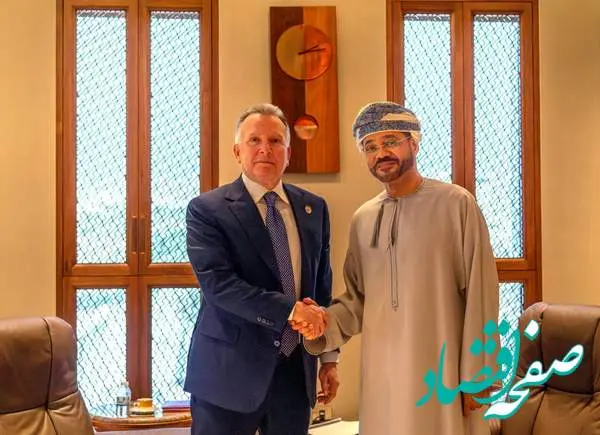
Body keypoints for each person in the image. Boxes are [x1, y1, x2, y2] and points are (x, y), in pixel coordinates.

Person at [297, 101, 500, 435]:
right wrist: (322, 323)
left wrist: (478, 375)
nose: (381, 153)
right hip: (382, 379)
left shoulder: (456, 204)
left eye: (390, 141)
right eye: (370, 147)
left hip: (443, 377)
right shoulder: (363, 219)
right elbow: (357, 301)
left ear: (414, 144)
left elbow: (481, 293)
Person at [184, 103, 340, 435]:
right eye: (254, 140)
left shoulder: (314, 208)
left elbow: (322, 287)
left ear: (288, 153)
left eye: (275, 141)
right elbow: (220, 286)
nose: (265, 149)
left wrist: (329, 357)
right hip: (228, 375)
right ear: (237, 151)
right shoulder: (207, 210)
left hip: (294, 376)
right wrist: (291, 310)